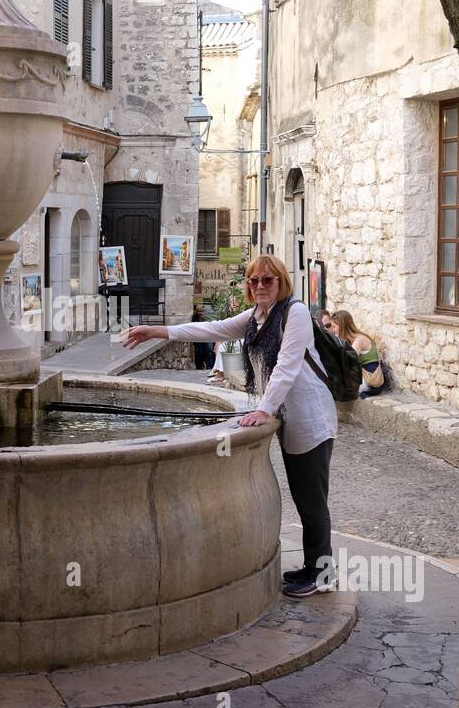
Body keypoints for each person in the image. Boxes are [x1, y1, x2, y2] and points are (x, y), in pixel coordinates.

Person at [122, 255, 338, 596]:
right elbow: (212, 328)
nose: (260, 286)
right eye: (254, 281)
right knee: (304, 496)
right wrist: (158, 331)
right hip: (291, 418)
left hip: (312, 418)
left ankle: (322, 574)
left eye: (268, 280)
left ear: (281, 282)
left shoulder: (294, 313)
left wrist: (264, 410)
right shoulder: (257, 317)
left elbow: (287, 366)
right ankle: (314, 567)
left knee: (312, 500)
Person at [329, 309, 385, 396]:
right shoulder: (355, 338)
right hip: (368, 377)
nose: (333, 330)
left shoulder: (359, 341)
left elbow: (347, 362)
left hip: (371, 380)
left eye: (334, 327)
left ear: (342, 326)